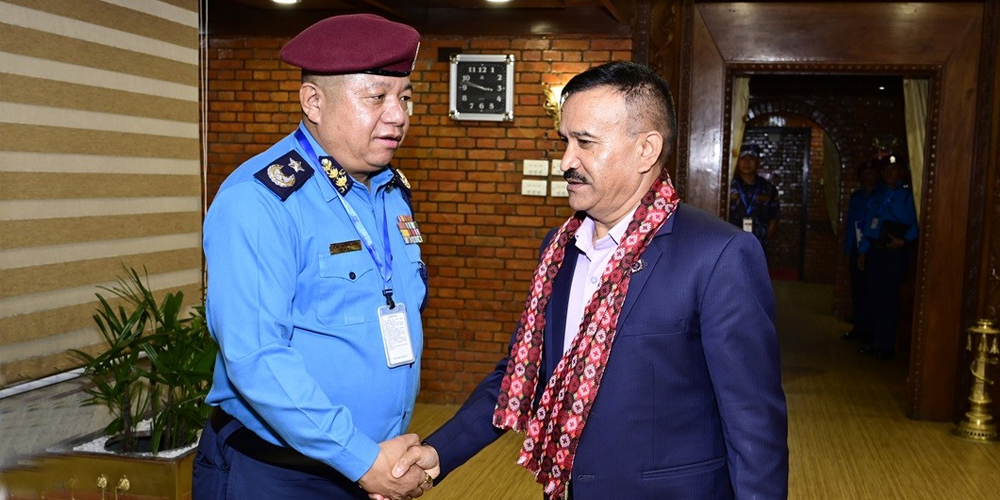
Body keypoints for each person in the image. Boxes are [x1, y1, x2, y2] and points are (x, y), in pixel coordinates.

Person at [390, 61, 788, 499]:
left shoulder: (719, 255)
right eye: (565, 141)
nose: (566, 161)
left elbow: (754, 426)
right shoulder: (559, 249)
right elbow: (525, 372)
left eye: (585, 142)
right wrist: (439, 452)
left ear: (646, 150)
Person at [192, 14, 437, 500]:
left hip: (370, 465)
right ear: (313, 102)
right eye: (377, 97)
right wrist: (362, 459)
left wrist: (375, 462)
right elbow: (257, 357)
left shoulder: (389, 191)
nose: (398, 115)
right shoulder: (260, 201)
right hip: (277, 475)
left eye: (405, 97)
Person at [857, 155, 918, 360]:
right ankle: (877, 341)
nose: (889, 173)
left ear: (902, 172)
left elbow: (917, 223)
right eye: (886, 170)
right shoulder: (879, 195)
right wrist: (863, 251)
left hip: (895, 252)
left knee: (889, 299)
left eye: (894, 169)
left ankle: (888, 345)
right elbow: (869, 225)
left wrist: (905, 242)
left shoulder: (908, 196)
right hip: (876, 251)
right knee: (876, 297)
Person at [841, 160, 885, 342]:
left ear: (877, 175)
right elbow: (851, 226)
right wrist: (847, 251)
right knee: (858, 290)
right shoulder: (857, 196)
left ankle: (872, 332)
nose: (868, 177)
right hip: (856, 247)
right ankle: (859, 328)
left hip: (874, 248)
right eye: (864, 174)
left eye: (871, 173)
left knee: (873, 291)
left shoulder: (883, 195)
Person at [728, 143, 781, 254]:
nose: (747, 162)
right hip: (731, 244)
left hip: (758, 246)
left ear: (758, 161)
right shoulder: (728, 187)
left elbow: (774, 219)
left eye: (751, 158)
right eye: (742, 158)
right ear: (737, 161)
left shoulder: (768, 188)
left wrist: (761, 240)